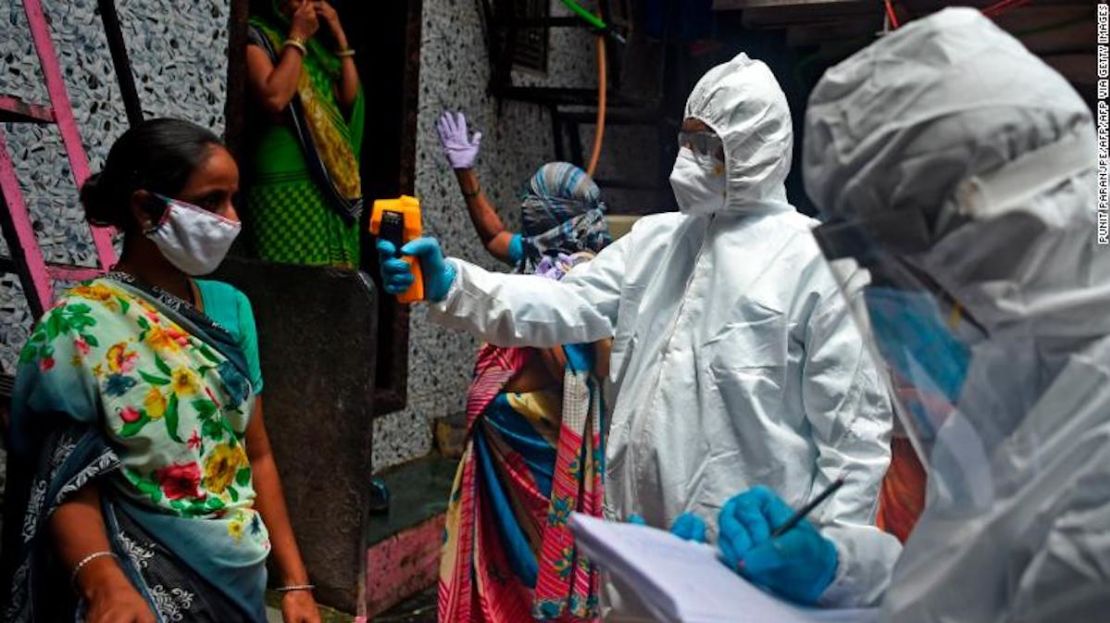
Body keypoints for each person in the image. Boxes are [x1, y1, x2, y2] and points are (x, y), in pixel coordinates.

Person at [381, 53, 898, 616]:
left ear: (757, 151)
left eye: (711, 148)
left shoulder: (818, 263)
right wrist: (451, 284)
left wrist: (822, 568)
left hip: (750, 580)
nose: (689, 160)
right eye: (688, 138)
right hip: (639, 556)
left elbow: (853, 439)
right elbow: (562, 300)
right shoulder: (658, 244)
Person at [715, 8, 1109, 620]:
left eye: (885, 268)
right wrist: (833, 569)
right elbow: (966, 578)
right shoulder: (1017, 385)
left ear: (984, 237)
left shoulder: (1093, 465)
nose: (880, 301)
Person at [2, 119, 320, 623]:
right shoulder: (80, 327)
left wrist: (296, 583)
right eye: (212, 201)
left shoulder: (231, 310)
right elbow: (62, 479)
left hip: (239, 577)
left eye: (234, 200)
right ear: (146, 207)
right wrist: (105, 583)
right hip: (141, 584)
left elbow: (254, 452)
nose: (231, 219)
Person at [436, 157, 614, 622]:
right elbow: (494, 237)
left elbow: (586, 366)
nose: (526, 209)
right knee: (499, 557)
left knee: (537, 559)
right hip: (499, 437)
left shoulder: (590, 272)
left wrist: (551, 306)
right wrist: (466, 173)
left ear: (556, 212)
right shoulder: (538, 253)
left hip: (540, 443)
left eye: (536, 203)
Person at [243, 0, 363, 268]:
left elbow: (349, 98)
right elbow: (275, 97)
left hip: (328, 178)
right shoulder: (258, 36)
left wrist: (339, 35)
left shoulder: (317, 50)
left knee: (332, 279)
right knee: (286, 273)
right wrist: (297, 36)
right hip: (283, 177)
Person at [435, 111, 612, 270]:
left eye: (533, 199)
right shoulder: (545, 247)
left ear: (550, 213)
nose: (525, 202)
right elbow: (495, 238)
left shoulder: (596, 273)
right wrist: (464, 172)